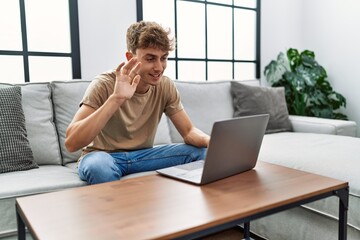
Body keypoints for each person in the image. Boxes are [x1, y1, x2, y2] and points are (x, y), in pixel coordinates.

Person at [65, 21, 210, 185]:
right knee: (98, 166)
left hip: (144, 156)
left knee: (202, 153)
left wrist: (210, 140)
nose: (159, 67)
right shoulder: (104, 84)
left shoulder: (165, 85)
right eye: (150, 58)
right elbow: (71, 142)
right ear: (130, 58)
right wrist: (116, 98)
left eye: (163, 58)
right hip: (104, 157)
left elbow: (189, 131)